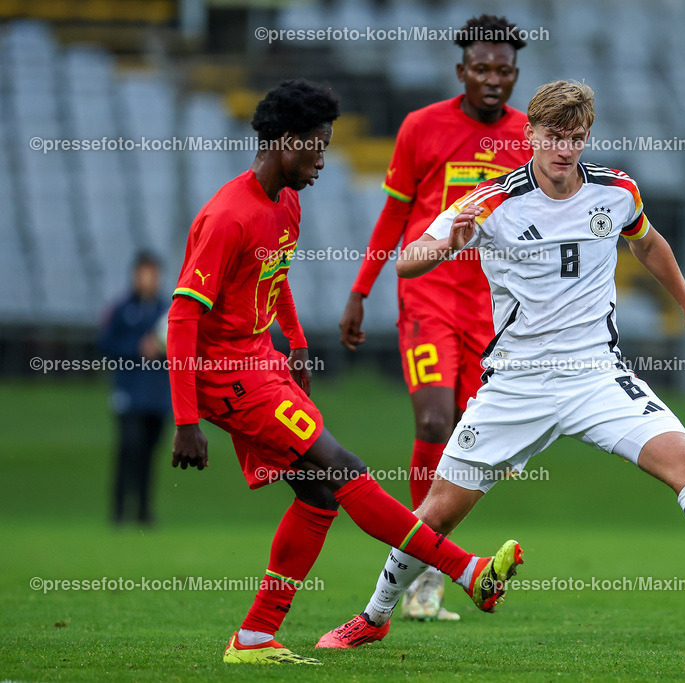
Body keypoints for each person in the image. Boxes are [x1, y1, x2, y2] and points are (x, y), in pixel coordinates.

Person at [322, 81, 685, 648]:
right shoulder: (490, 201)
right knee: (437, 514)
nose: (564, 149)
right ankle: (373, 616)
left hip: (596, 374)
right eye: (554, 136)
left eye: (576, 137)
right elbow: (407, 263)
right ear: (530, 134)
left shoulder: (616, 192)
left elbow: (649, 244)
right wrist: (444, 244)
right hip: (517, 383)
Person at [166, 79, 523, 666]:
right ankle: (466, 569)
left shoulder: (287, 201)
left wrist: (298, 347)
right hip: (227, 374)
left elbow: (275, 278)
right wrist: (186, 420)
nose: (322, 160)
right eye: (316, 145)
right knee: (342, 468)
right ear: (284, 141)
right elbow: (182, 317)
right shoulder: (228, 216)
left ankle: (254, 637)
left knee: (317, 495)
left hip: (262, 363)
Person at [337, 14, 532, 622]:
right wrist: (361, 290)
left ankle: (423, 576)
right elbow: (396, 216)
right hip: (427, 300)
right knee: (432, 416)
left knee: (471, 446)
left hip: (490, 310)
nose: (492, 79)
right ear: (461, 71)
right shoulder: (422, 128)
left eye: (503, 70)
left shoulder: (529, 136)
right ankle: (424, 570)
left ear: (515, 74)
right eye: (482, 69)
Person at [97, 251, 171, 526]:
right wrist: (136, 349)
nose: (149, 279)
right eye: (144, 273)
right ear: (135, 275)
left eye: (153, 273)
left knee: (150, 457)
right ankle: (118, 512)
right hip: (129, 395)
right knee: (128, 451)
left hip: (158, 397)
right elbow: (105, 344)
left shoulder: (168, 310)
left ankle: (143, 513)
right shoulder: (121, 309)